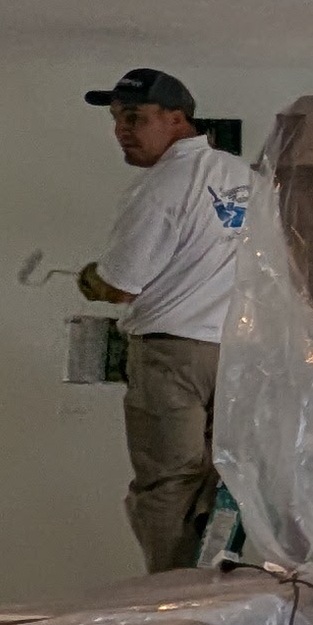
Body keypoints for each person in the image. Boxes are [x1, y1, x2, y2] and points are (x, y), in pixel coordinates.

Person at [79, 66, 255, 570]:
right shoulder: (246, 180)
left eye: (134, 118)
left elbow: (120, 284)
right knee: (227, 478)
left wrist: (89, 278)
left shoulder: (161, 187)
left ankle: (171, 601)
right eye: (116, 119)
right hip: (239, 353)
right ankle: (219, 588)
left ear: (177, 120)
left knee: (169, 482)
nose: (121, 131)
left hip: (171, 354)